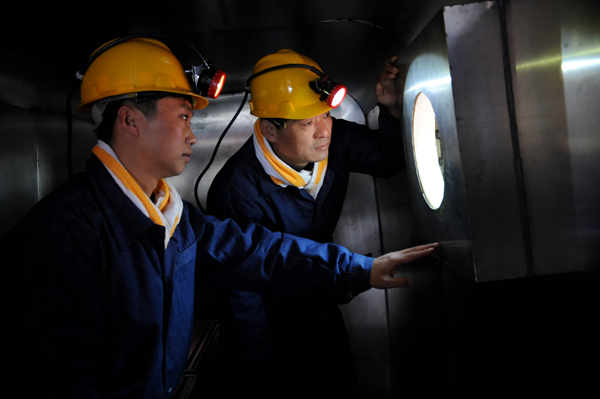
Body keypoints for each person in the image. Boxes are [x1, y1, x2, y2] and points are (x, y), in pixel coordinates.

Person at [3, 37, 436, 398]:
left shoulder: (171, 218)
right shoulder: (59, 237)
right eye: (184, 116)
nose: (192, 134)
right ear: (130, 120)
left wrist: (361, 269)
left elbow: (259, 253)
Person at [206, 49, 406, 397]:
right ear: (270, 129)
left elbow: (388, 160)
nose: (322, 131)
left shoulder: (334, 141)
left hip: (322, 301)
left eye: (325, 116)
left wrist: (390, 108)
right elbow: (243, 292)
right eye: (305, 123)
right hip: (271, 323)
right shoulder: (235, 191)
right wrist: (264, 367)